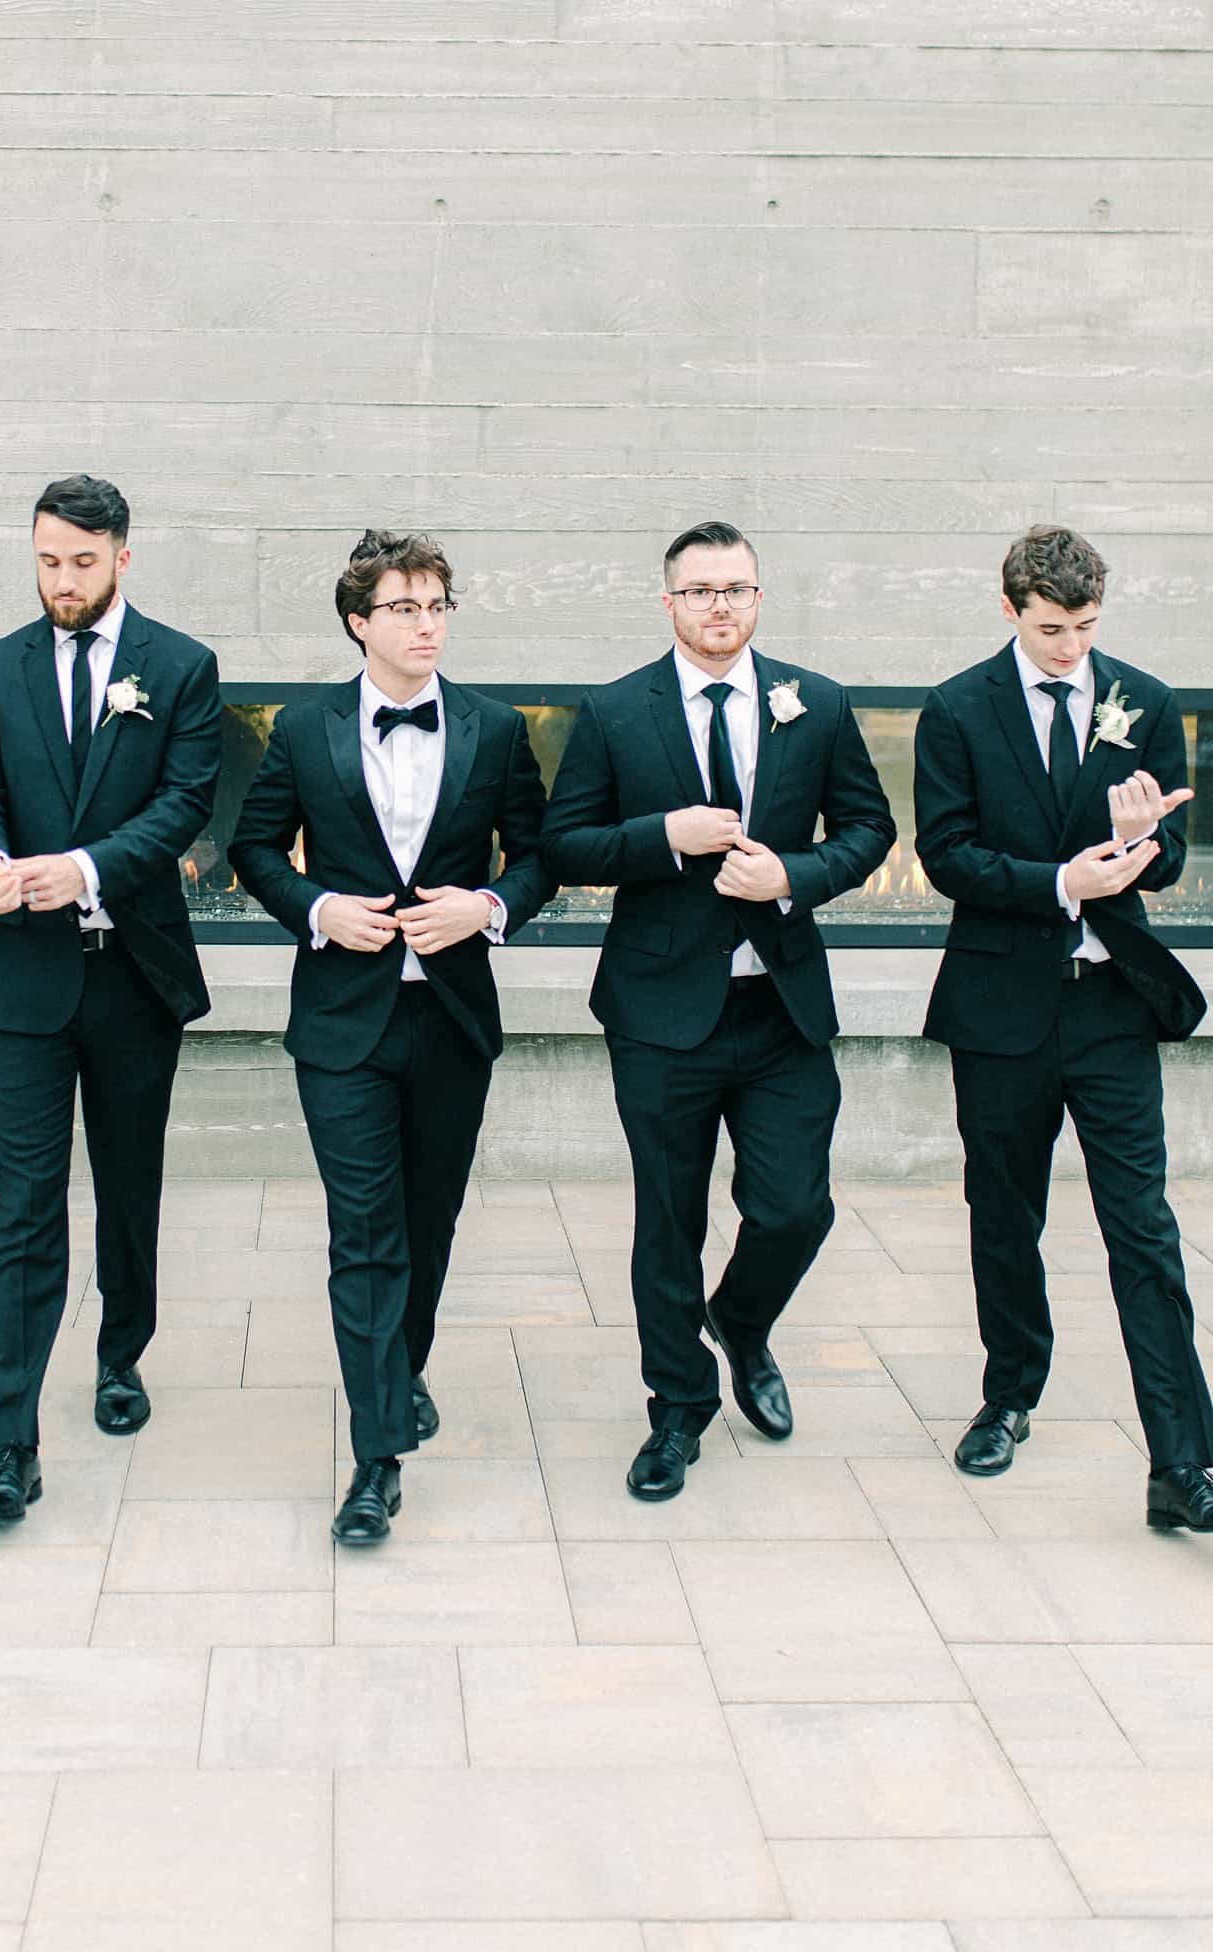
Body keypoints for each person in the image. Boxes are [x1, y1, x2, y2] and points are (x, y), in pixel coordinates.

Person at [541, 521, 895, 1501]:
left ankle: (740, 1321)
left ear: (758, 597)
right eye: (699, 591)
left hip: (780, 1006)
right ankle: (678, 1410)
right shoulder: (615, 711)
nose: (719, 607)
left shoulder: (812, 704)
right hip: (659, 1011)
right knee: (667, 1221)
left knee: (794, 1206)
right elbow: (564, 844)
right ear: (668, 603)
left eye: (736, 588)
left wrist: (796, 873)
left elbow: (871, 826)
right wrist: (665, 836)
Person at [230, 529, 553, 1545]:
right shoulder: (302, 727)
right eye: (405, 608)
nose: (426, 625)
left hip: (453, 1019)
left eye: (438, 605)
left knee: (428, 1221)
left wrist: (489, 909)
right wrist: (318, 908)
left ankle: (396, 1372)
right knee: (363, 1232)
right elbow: (251, 845)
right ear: (359, 623)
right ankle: (376, 1458)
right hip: (341, 1020)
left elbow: (539, 855)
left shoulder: (496, 730)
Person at [915, 522, 1213, 1531]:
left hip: (1108, 1008)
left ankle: (1182, 1463)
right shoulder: (955, 708)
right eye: (1050, 628)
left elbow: (1167, 857)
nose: (1070, 648)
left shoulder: (1149, 702)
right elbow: (948, 853)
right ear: (1009, 610)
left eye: (1085, 626)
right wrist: (1056, 882)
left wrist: (1141, 843)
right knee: (1005, 1218)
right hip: (999, 1011)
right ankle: (1009, 1396)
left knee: (1144, 1229)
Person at [0, 474, 221, 1524]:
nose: (64, 581)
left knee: (127, 1182)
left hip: (131, 975)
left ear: (123, 558)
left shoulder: (181, 668)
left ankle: (120, 1354)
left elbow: (184, 802)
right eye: (49, 561)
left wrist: (87, 867)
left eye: (83, 563)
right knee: (25, 1201)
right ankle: (13, 1439)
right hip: (17, 976)